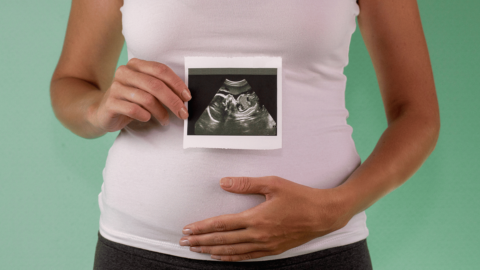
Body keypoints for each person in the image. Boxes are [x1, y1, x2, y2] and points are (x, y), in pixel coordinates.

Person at [50, 0, 440, 269]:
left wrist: (333, 210)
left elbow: (418, 115)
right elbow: (73, 80)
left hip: (317, 249)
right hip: (144, 247)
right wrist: (96, 109)